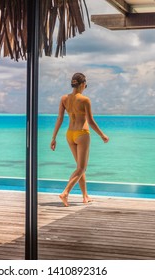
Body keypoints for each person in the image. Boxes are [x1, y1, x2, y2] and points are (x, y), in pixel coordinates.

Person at [50, 72, 109, 207]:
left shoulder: (64, 98)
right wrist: (102, 135)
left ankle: (85, 196)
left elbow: (59, 118)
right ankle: (65, 193)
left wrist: (54, 137)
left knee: (79, 168)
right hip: (82, 134)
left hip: (70, 134)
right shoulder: (85, 100)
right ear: (82, 84)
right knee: (82, 168)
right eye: (85, 85)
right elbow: (91, 121)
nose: (85, 87)